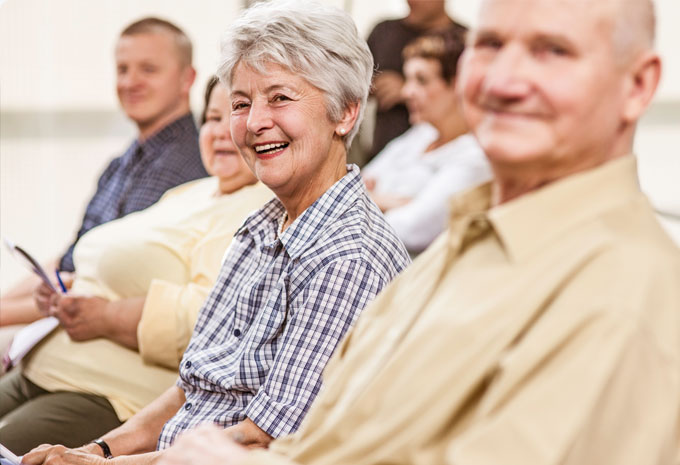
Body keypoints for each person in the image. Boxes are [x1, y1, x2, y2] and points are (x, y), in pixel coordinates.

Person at [147, 0, 680, 464]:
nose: (505, 80)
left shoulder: (629, 298)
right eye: (490, 45)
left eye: (553, 51)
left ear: (637, 86)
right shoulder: (464, 248)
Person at [22, 1, 409, 464]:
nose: (254, 122)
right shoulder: (260, 227)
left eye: (280, 98)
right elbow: (193, 386)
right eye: (241, 104)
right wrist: (96, 450)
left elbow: (264, 439)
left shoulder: (348, 256)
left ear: (345, 113)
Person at [0, 77, 274, 454]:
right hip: (41, 368)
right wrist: (65, 293)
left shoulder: (258, 209)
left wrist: (108, 317)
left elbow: (214, 320)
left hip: (107, 394)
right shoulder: (190, 193)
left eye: (236, 115)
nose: (222, 131)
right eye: (212, 117)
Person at [0, 17, 207, 330]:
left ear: (186, 79)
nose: (129, 82)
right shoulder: (123, 161)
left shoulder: (184, 166)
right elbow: (68, 259)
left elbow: (100, 285)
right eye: (122, 69)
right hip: (54, 314)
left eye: (148, 69)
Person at [363, 31, 491, 254]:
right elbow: (354, 182)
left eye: (421, 80)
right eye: (408, 79)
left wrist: (369, 198)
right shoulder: (421, 135)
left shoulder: (475, 157)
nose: (407, 91)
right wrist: (389, 202)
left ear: (458, 85)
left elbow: (411, 229)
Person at [366, 0, 465, 162]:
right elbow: (351, 87)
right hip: (384, 152)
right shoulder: (384, 32)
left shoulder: (463, 41)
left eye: (422, 80)